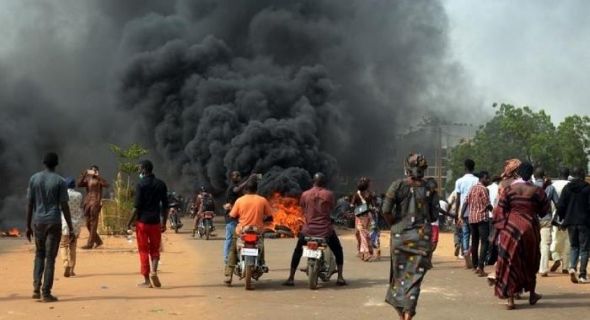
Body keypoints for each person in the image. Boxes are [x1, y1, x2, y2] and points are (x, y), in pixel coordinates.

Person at [381, 154, 440, 320]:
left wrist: (394, 225)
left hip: (400, 236)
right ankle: (407, 314)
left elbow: (385, 210)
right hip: (422, 238)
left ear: (406, 167)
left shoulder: (397, 185)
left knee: (399, 276)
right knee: (414, 279)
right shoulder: (431, 186)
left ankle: (404, 314)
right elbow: (434, 215)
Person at [492, 162, 548, 310]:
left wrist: (498, 230)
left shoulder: (509, 190)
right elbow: (544, 210)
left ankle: (510, 300)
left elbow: (500, 211)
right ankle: (532, 295)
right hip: (530, 228)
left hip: (511, 229)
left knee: (509, 261)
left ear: (518, 173)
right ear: (530, 174)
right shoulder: (537, 190)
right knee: (530, 260)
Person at [282, 172, 346, 286]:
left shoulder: (305, 194)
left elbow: (303, 208)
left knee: (298, 251)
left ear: (313, 181)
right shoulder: (329, 194)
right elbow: (331, 208)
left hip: (308, 230)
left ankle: (291, 277)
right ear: (324, 182)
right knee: (338, 250)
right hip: (325, 230)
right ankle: (340, 277)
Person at [26, 152, 75, 302]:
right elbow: (64, 206)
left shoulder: (34, 179)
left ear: (43, 162)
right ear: (57, 164)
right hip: (54, 223)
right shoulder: (60, 181)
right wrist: (71, 227)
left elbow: (30, 204)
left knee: (39, 254)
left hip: (38, 222)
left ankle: (36, 288)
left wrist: (28, 226)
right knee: (50, 258)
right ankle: (46, 293)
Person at [126, 160, 169, 288]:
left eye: (139, 169)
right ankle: (154, 272)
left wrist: (128, 223)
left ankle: (147, 281)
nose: (138, 171)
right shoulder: (161, 184)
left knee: (143, 250)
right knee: (155, 249)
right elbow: (166, 206)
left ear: (144, 170)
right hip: (155, 222)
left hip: (142, 223)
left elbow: (136, 207)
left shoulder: (140, 185)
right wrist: (164, 223)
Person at [224, 179, 274, 288]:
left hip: (242, 231)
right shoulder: (262, 200)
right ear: (256, 189)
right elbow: (270, 216)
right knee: (261, 247)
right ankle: (261, 264)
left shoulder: (240, 200)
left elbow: (232, 216)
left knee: (232, 250)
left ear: (246, 189)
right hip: (257, 232)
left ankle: (229, 275)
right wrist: (263, 220)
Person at [556, 166, 590, 284]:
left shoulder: (567, 188)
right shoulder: (587, 188)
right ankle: (582, 275)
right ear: (581, 174)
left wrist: (562, 218)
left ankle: (572, 268)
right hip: (584, 222)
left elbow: (561, 205)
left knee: (574, 246)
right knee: (584, 249)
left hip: (570, 222)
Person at [222, 171, 257, 266]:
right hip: (231, 217)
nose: (239, 177)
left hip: (238, 218)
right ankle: (227, 260)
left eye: (239, 175)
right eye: (236, 175)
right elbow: (236, 190)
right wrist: (248, 180)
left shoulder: (238, 189)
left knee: (241, 238)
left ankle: (243, 258)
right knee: (231, 240)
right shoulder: (232, 186)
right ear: (232, 177)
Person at [461, 171, 492, 276]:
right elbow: (487, 204)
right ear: (483, 178)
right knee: (484, 242)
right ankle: (480, 267)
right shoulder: (484, 189)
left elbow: (465, 202)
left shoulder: (472, 188)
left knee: (474, 241)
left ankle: (475, 266)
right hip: (482, 218)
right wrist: (496, 212)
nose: (488, 180)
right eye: (487, 178)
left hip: (472, 219)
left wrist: (461, 216)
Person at [533, 166, 559, 277]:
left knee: (533, 243)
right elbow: (558, 204)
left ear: (534, 175)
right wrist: (557, 217)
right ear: (544, 175)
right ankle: (543, 269)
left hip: (533, 219)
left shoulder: (530, 187)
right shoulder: (551, 188)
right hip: (546, 218)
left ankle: (532, 267)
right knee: (545, 244)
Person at [77, 165, 109, 249]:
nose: (93, 172)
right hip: (87, 203)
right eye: (92, 170)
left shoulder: (99, 180)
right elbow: (79, 184)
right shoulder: (87, 179)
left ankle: (90, 243)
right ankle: (98, 241)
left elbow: (107, 184)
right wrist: (84, 174)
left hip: (95, 203)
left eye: (95, 170)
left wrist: (98, 176)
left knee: (93, 223)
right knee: (87, 223)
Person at [455, 159, 479, 268]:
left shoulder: (459, 181)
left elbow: (458, 199)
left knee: (465, 234)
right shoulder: (478, 180)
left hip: (464, 212)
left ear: (465, 168)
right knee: (474, 235)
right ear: (473, 168)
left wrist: (457, 214)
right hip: (476, 211)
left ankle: (466, 258)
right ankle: (473, 257)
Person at [59, 177, 84, 277]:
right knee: (72, 247)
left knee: (63, 245)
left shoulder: (64, 195)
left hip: (65, 223)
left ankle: (65, 263)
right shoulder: (79, 195)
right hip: (76, 224)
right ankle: (72, 268)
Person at [549, 167, 571, 274]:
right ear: (568, 174)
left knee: (555, 239)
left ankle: (556, 258)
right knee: (568, 241)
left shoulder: (553, 185)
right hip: (570, 217)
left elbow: (551, 203)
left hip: (556, 216)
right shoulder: (571, 185)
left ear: (559, 174)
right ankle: (565, 266)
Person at [350, 177, 376, 261]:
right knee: (362, 232)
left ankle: (366, 252)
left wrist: (352, 211)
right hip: (368, 215)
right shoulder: (369, 194)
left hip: (360, 217)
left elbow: (352, 205)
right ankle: (366, 250)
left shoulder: (356, 194)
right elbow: (374, 206)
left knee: (362, 233)